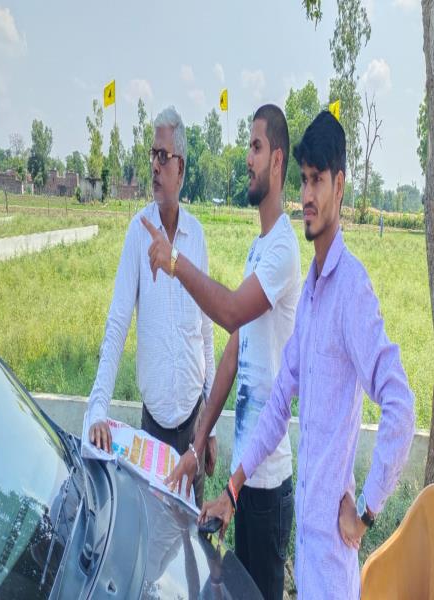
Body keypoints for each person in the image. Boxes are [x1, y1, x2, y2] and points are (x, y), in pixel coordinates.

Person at [199, 110, 416, 599]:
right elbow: (279, 403)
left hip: (332, 560)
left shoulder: (351, 289)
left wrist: (366, 512)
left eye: (318, 180)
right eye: (303, 180)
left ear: (340, 186)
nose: (308, 196)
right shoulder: (312, 292)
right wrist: (232, 489)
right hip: (307, 544)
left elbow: (401, 406)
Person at [143, 104, 301, 600]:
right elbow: (235, 348)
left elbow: (231, 313)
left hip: (268, 482)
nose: (247, 158)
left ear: (277, 160)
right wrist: (198, 443)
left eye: (256, 147)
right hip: (246, 476)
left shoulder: (283, 250)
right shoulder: (260, 247)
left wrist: (174, 262)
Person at [87, 106, 215, 507]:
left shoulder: (196, 238)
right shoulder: (138, 234)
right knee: (154, 536)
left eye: (164, 156)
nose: (155, 166)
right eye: (152, 156)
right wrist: (97, 409)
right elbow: (117, 322)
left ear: (181, 167)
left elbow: (206, 332)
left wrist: (209, 426)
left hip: (194, 425)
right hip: (153, 433)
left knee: (192, 535)